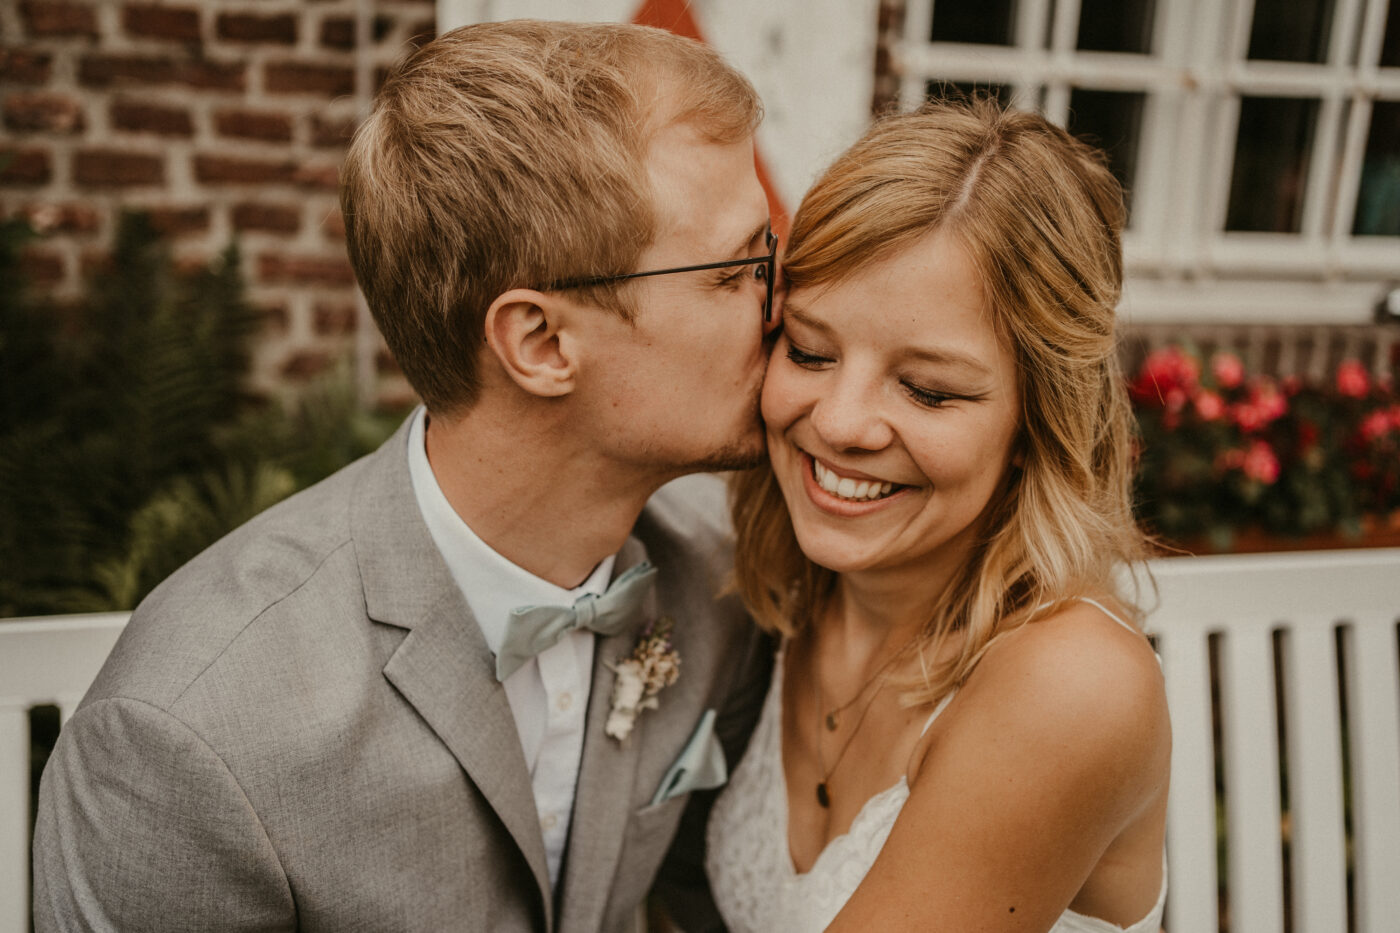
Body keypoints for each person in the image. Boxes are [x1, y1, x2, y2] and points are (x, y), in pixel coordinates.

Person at [33, 20, 776, 932]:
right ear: (542, 343)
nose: (785, 305)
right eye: (740, 268)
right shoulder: (187, 734)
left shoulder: (721, 580)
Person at [706, 99, 1171, 932]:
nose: (842, 422)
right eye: (810, 350)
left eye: (927, 388)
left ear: (1037, 423)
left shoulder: (1072, 682)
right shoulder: (788, 600)